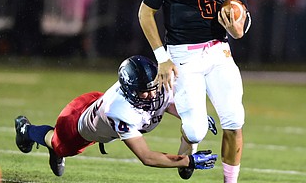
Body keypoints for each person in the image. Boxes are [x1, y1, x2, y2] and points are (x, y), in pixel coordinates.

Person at [138, 0, 251, 182]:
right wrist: (162, 58)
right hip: (183, 56)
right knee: (196, 130)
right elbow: (145, 13)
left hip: (218, 51)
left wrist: (235, 26)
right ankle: (188, 149)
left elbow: (241, 20)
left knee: (234, 119)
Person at [14, 55, 218, 177]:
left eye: (152, 87)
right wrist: (188, 162)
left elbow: (166, 102)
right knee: (58, 145)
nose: (151, 94)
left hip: (97, 103)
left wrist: (192, 116)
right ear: (129, 91)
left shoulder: (156, 85)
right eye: (143, 91)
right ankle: (26, 130)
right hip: (76, 126)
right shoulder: (120, 111)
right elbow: (146, 157)